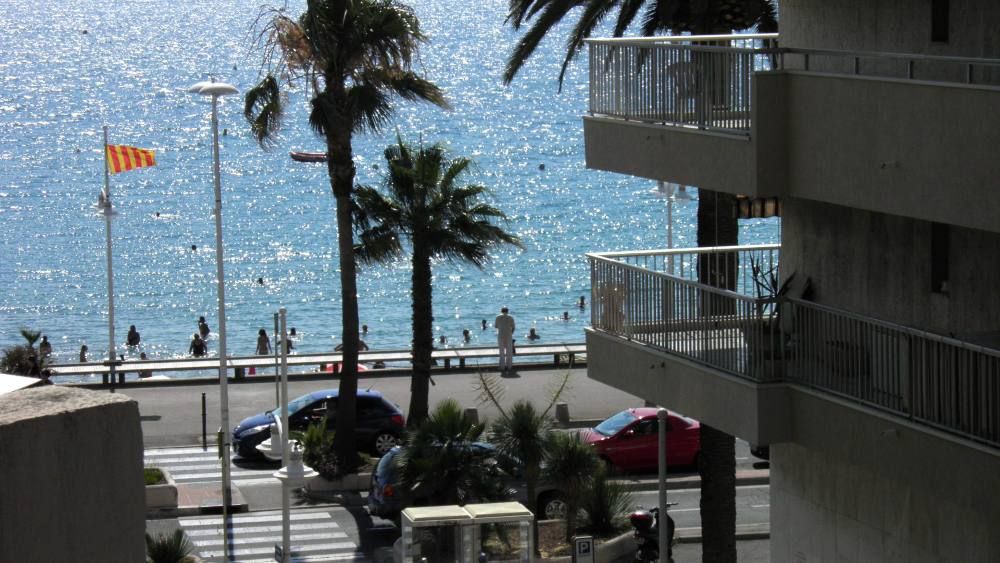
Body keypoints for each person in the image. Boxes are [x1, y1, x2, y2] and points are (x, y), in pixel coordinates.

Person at [494, 307, 515, 373]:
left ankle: (502, 367)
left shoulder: (497, 317)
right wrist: (511, 333)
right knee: (509, 352)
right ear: (507, 311)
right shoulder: (511, 317)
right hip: (508, 335)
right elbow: (513, 327)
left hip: (500, 335)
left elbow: (496, 326)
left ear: (501, 311)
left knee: (501, 352)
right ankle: (509, 367)